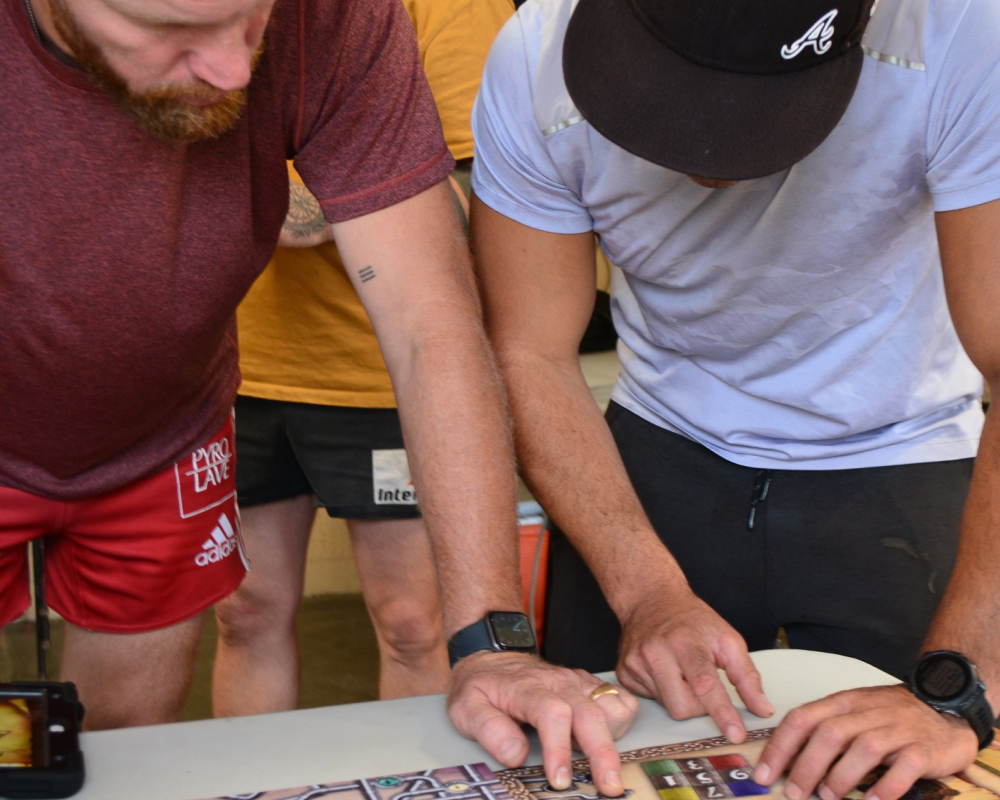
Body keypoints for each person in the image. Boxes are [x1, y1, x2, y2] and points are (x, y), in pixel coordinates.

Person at [0, 0, 638, 789]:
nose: (238, 69)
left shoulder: (335, 14)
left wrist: (494, 643)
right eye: (171, 29)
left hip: (162, 435)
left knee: (122, 750)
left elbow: (428, 323)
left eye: (250, 16)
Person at [469, 0, 1000, 795]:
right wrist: (646, 590)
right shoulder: (536, 57)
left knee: (901, 772)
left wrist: (959, 690)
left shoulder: (958, 30)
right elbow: (528, 353)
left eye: (746, 108)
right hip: (655, 453)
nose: (708, 147)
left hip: (900, 448)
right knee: (600, 765)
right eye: (672, 92)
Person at [212, 0, 514, 708]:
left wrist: (259, 184)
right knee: (243, 613)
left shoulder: (452, 10)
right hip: (237, 366)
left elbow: (476, 201)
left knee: (412, 624)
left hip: (385, 377)